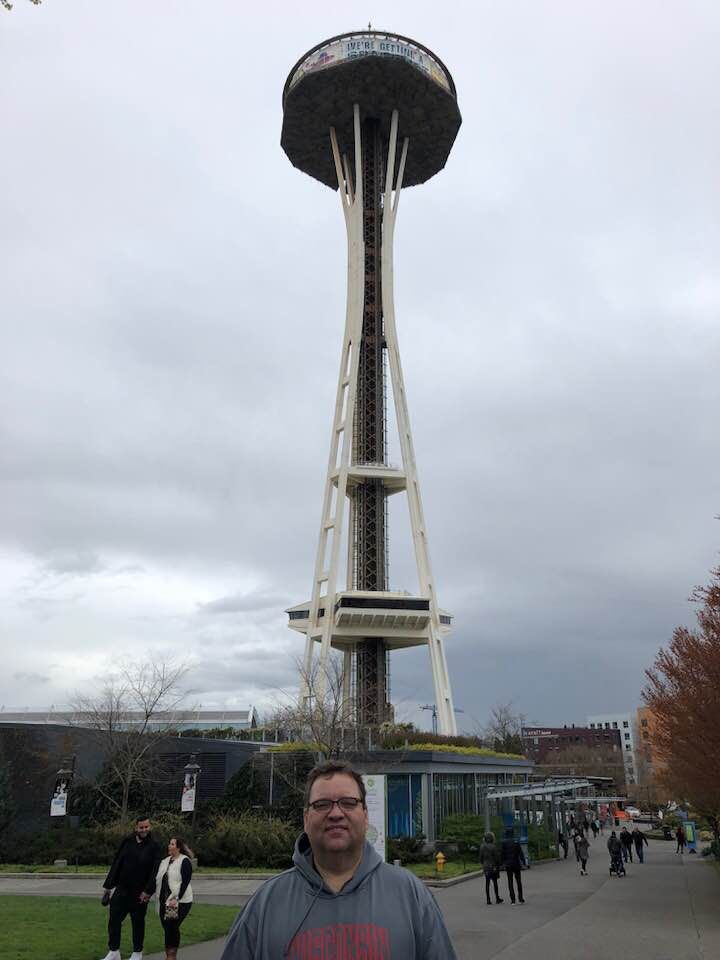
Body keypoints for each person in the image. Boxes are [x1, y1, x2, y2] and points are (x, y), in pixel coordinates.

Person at [220, 759, 458, 958]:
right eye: (322, 804)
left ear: (365, 815)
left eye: (348, 803)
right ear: (306, 818)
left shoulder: (411, 896)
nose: (335, 813)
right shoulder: (265, 904)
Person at [100, 815, 162, 960]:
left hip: (140, 892)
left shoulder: (154, 846)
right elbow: (117, 862)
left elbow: (156, 871)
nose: (144, 830)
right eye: (141, 827)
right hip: (122, 888)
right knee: (114, 919)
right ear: (136, 827)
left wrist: (148, 891)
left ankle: (137, 952)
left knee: (138, 921)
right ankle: (114, 951)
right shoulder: (127, 841)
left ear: (150, 827)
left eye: (146, 827)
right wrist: (108, 886)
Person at [155, 837, 194, 960]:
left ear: (178, 847)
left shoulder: (184, 861)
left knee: (172, 926)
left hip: (179, 901)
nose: (169, 846)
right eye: (169, 843)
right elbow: (158, 879)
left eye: (172, 844)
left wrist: (176, 898)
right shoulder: (165, 861)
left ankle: (171, 956)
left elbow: (185, 882)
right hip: (164, 901)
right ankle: (169, 955)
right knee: (167, 927)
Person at [500, 828, 527, 905]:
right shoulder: (516, 842)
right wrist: (524, 862)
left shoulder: (504, 843)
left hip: (508, 865)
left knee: (510, 882)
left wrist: (501, 864)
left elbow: (502, 854)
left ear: (506, 834)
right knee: (518, 881)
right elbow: (521, 853)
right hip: (516, 864)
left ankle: (513, 900)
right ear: (512, 834)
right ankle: (521, 898)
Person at [479, 831, 503, 905]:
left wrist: (482, 864)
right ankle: (497, 898)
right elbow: (497, 858)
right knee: (495, 882)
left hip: (486, 867)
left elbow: (480, 857)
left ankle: (488, 899)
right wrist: (499, 864)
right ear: (491, 838)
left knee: (487, 883)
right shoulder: (494, 846)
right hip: (493, 867)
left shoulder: (482, 846)